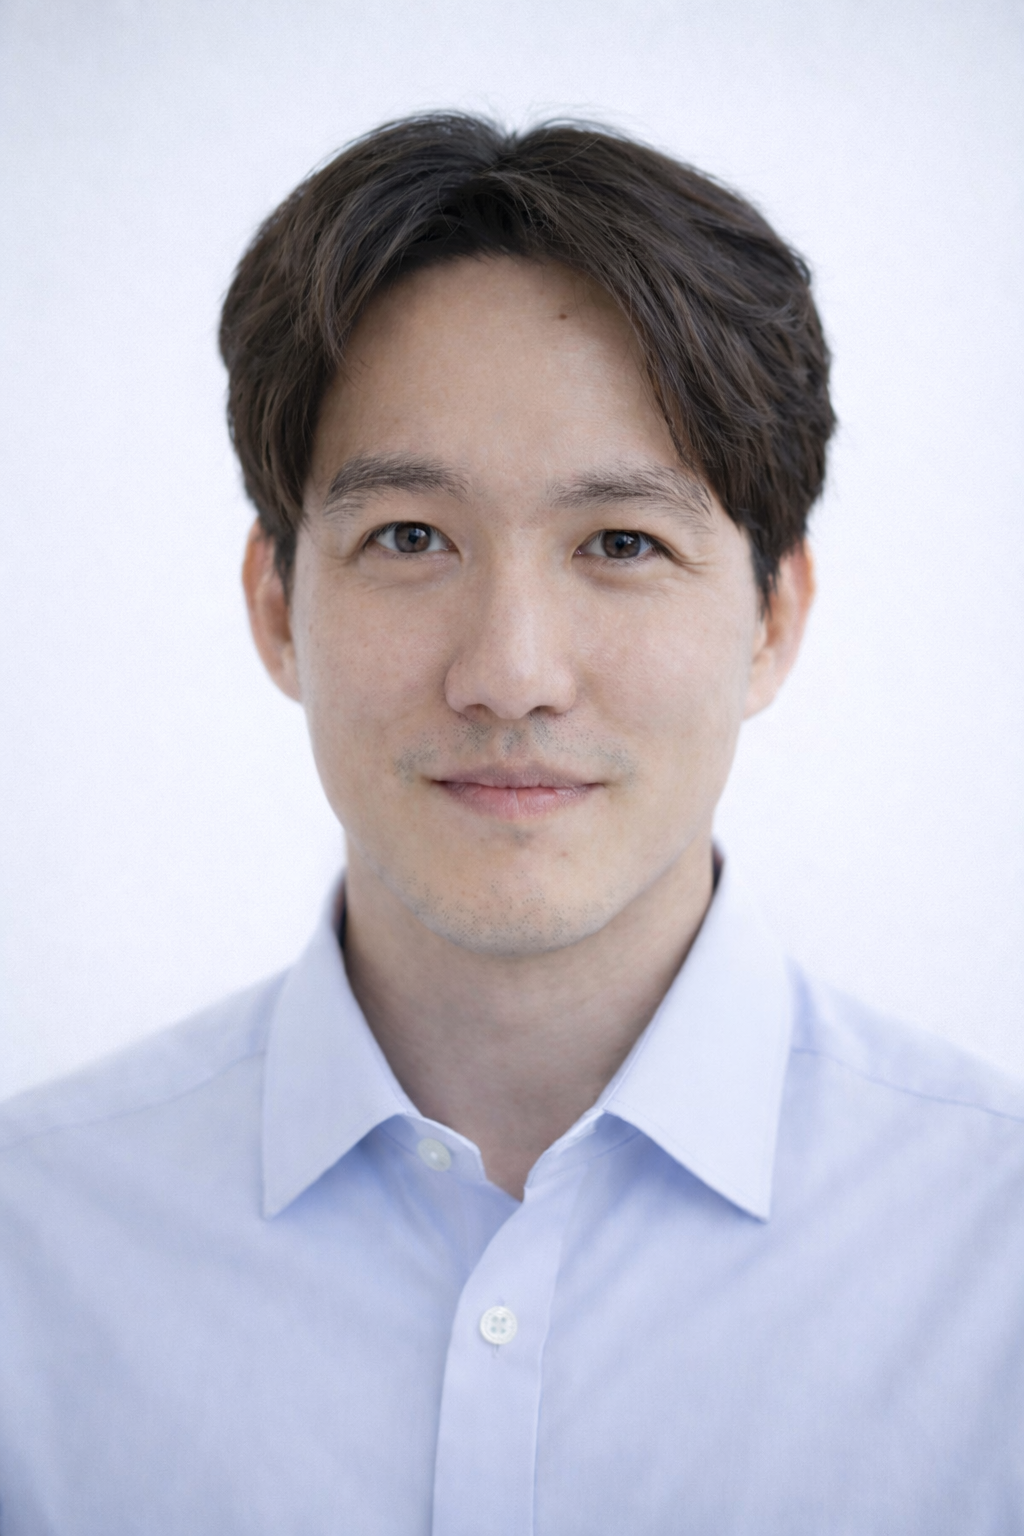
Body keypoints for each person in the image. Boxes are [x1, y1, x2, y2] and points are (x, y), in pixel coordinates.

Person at [1, 113, 1021, 1536]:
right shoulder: (32, 1251)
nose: (512, 673)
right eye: (410, 538)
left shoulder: (993, 1255)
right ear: (277, 606)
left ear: (773, 619)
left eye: (623, 544)